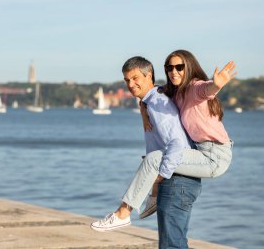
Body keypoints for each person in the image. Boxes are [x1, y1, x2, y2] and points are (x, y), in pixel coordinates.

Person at [91, 51, 236, 235]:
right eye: (169, 68)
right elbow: (155, 92)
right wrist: (143, 107)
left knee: (153, 160)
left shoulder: (192, 88)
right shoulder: (172, 94)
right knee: (152, 158)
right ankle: (151, 195)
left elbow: (204, 91)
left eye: (179, 67)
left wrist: (215, 85)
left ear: (189, 67)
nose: (173, 71)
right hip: (201, 151)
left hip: (214, 156)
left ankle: (123, 213)